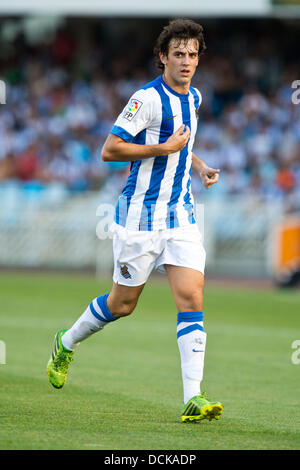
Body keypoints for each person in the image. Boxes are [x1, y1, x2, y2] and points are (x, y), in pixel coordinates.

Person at [47, 18, 223, 423]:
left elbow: (183, 144)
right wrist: (165, 147)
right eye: (177, 54)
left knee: (192, 299)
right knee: (122, 304)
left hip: (180, 214)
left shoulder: (194, 98)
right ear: (162, 57)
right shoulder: (145, 99)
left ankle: (192, 399)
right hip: (139, 218)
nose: (185, 61)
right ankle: (67, 341)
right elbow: (109, 150)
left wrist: (197, 165)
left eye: (192, 55)